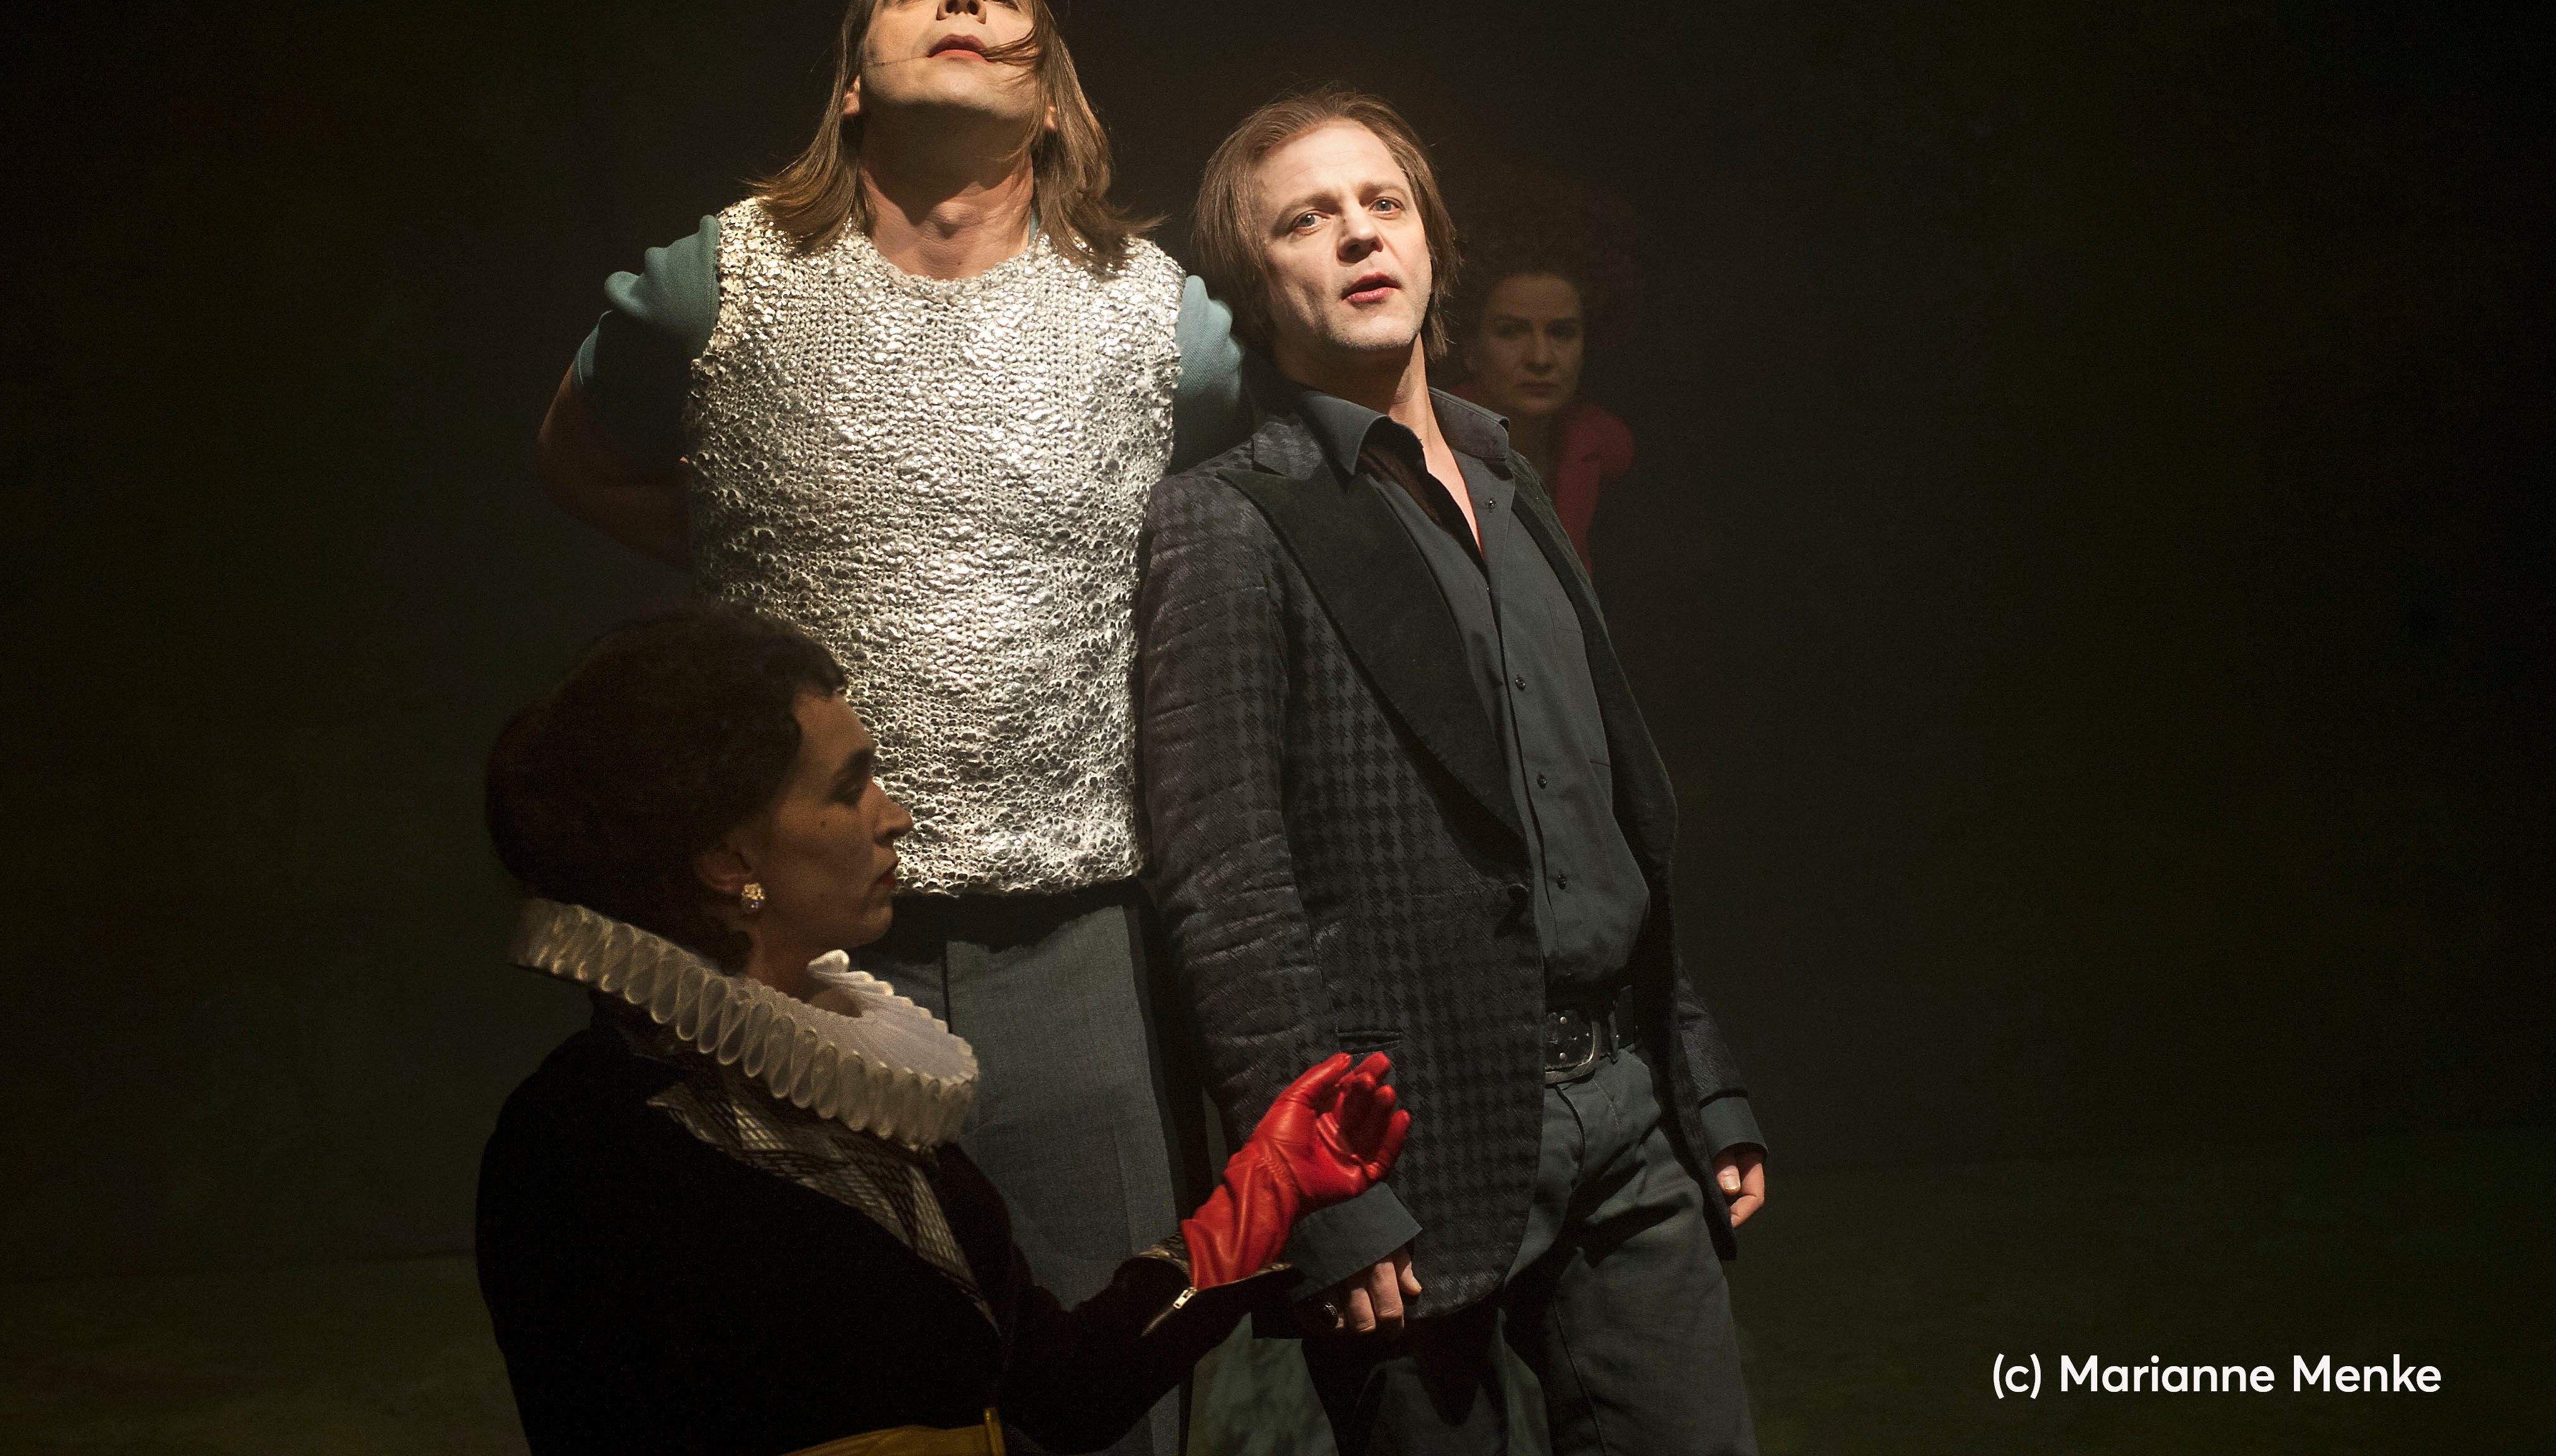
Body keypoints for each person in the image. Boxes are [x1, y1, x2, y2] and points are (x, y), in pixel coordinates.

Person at [529, 0, 1242, 1456]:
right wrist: (764, 545)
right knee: (815, 1387)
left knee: (1102, 1384)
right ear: (854, 79)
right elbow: (577, 457)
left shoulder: (1165, 324)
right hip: (780, 947)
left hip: (1070, 943)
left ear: (1050, 93)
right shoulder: (712, 285)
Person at [1136, 90, 1769, 1455]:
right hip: (1411, 1144)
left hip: (1627, 1111)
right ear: (1252, 283)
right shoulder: (1227, 523)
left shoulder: (1512, 480)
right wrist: (1323, 1194)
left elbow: (1601, 814)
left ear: (1432, 243)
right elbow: (1226, 887)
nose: (1358, 233)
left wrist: (1697, 1074)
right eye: (1306, 219)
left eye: (1384, 203)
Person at [476, 606, 1409, 1456]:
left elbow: (1058, 1391)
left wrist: (1265, 1191)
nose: (896, 817)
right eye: (849, 788)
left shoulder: (852, 1086)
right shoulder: (583, 1138)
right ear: (730, 858)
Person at [1442, 167, 1638, 575]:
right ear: (1472, 349)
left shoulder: (1606, 453)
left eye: (1561, 333)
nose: (1541, 358)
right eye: (1511, 332)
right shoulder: (1428, 452)